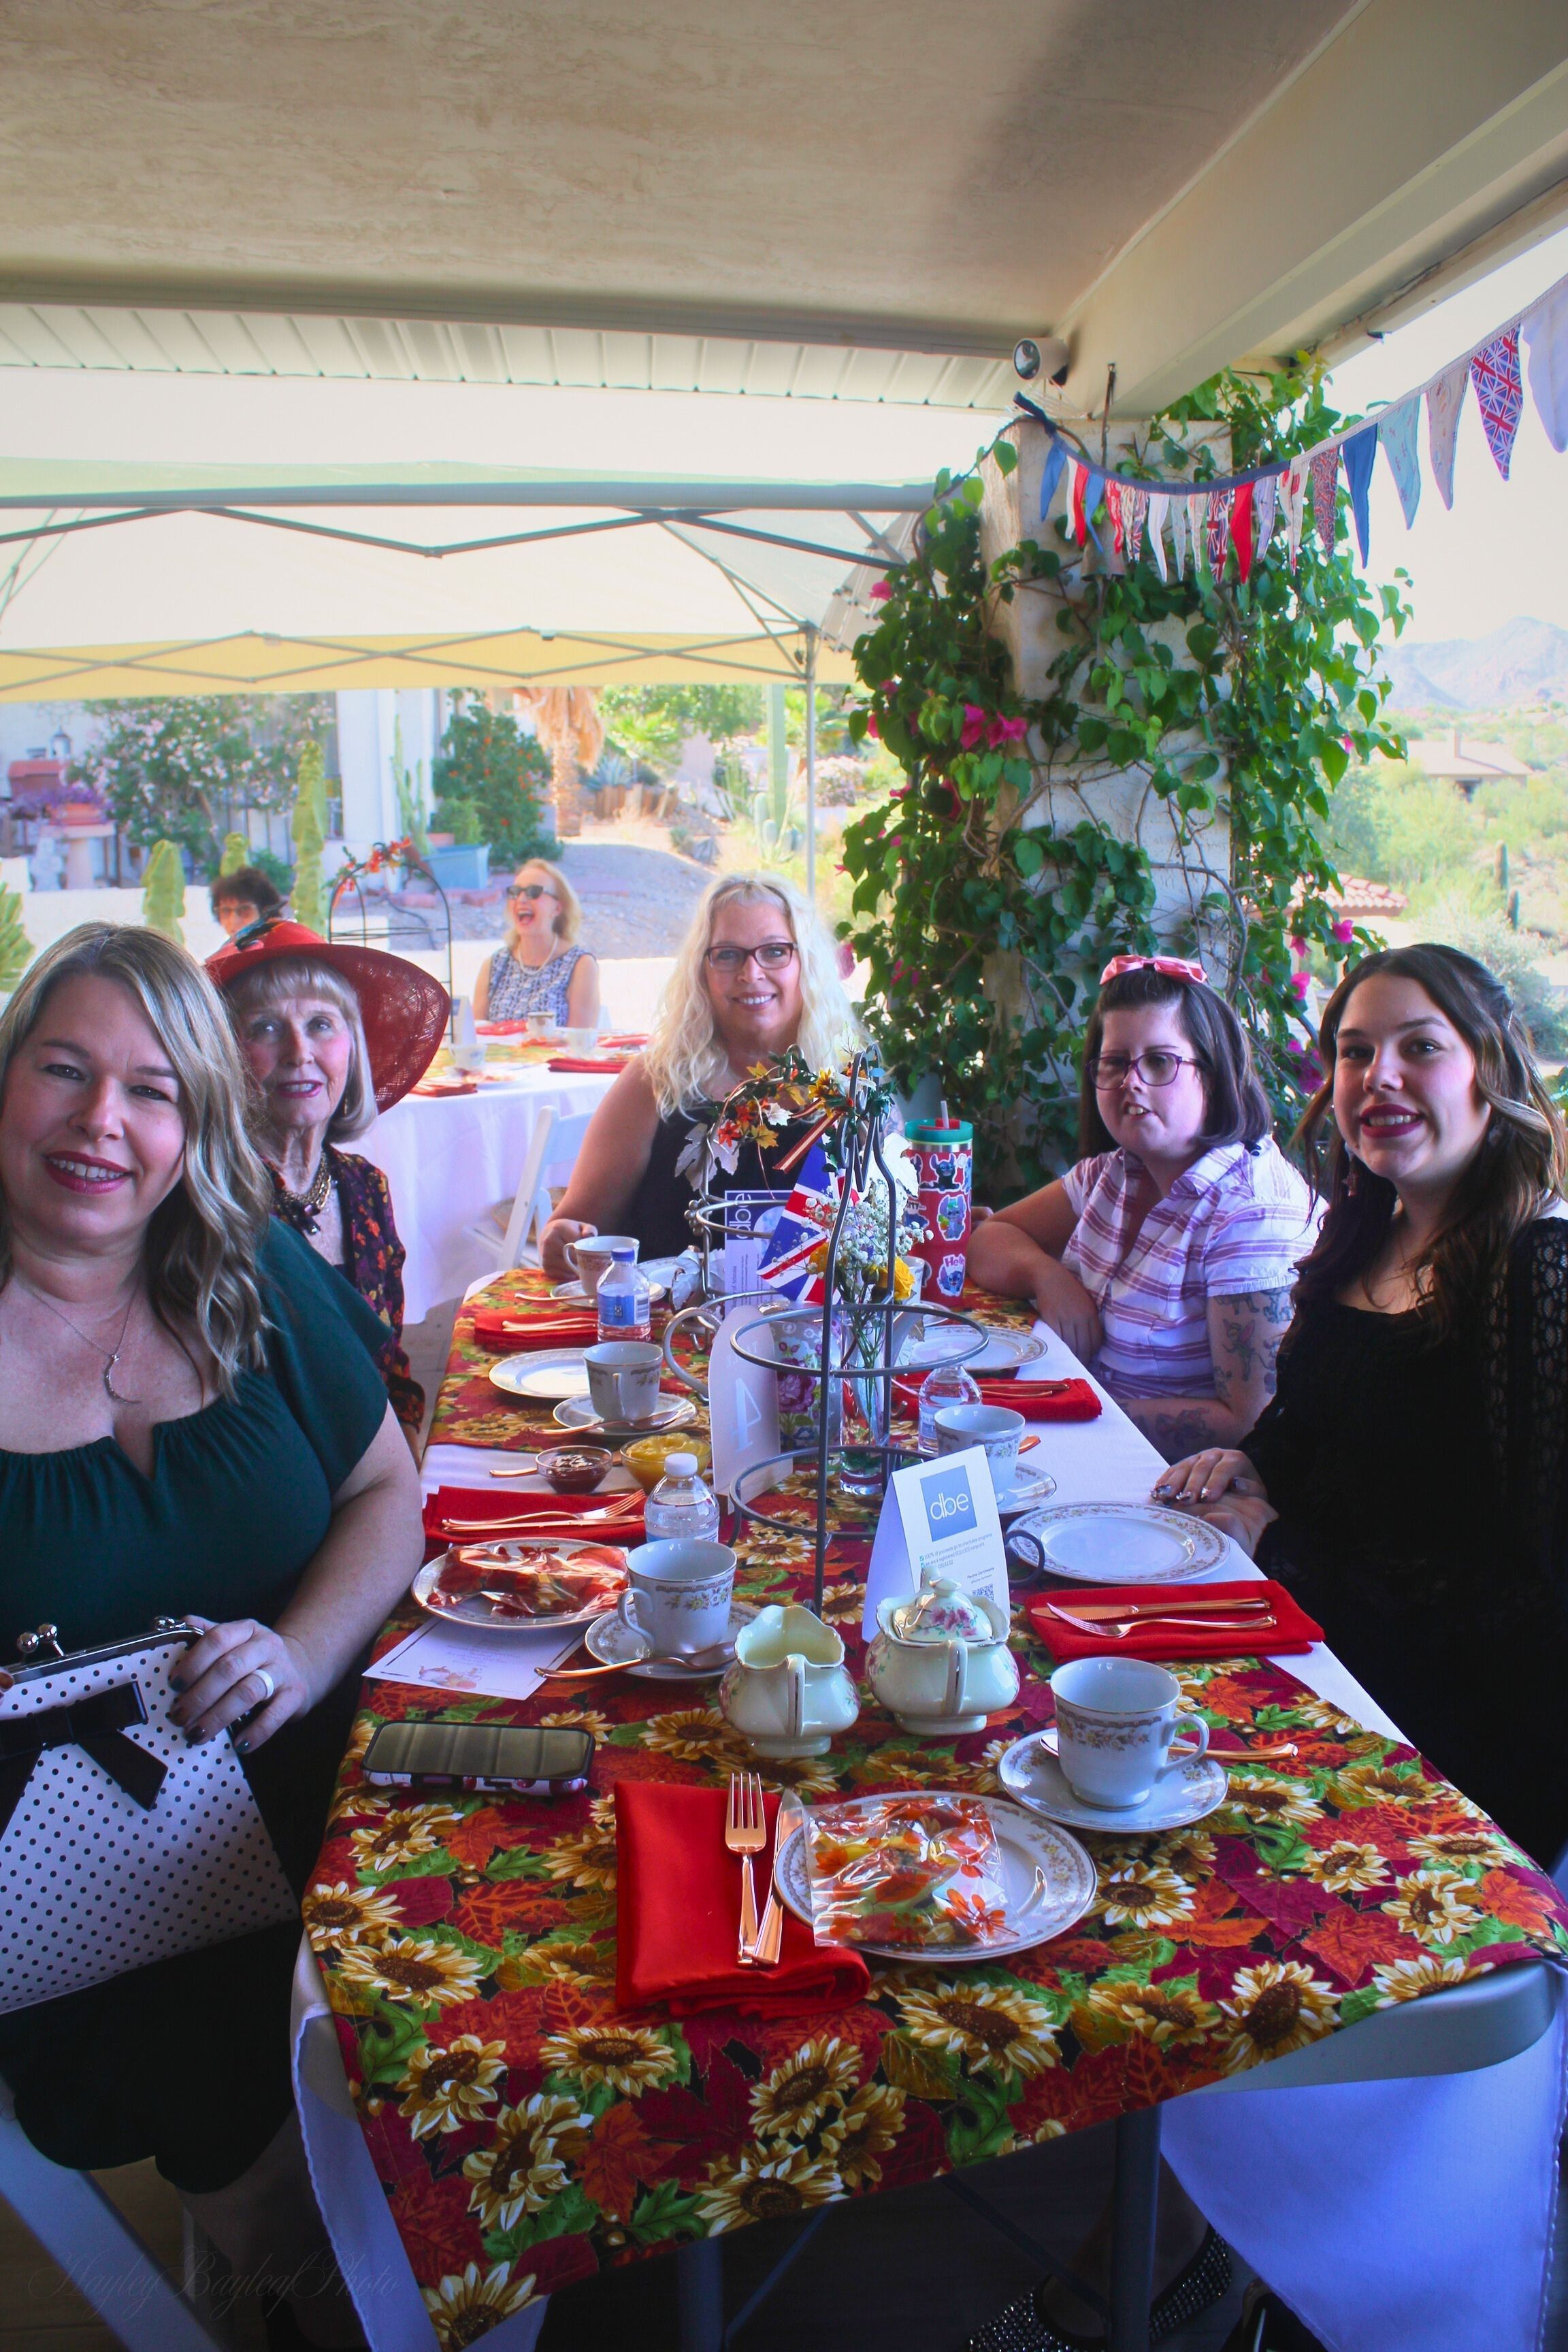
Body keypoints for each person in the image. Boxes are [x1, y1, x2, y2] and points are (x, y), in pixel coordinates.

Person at [0, 921, 424, 2347]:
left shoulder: (242, 1266)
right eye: (65, 1069)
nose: (101, 1122)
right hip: (90, 1901)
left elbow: (384, 1493)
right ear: (7, 1080)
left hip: (337, 1804)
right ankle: (323, 2288)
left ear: (192, 1123)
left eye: (151, 1089)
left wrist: (303, 1650)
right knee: (299, 2177)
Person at [1154, 944, 1568, 1863]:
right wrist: (1256, 1459)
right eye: (1353, 1051)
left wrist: (1282, 1547)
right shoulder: (1363, 1233)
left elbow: (1527, 1604)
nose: (1379, 1077)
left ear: (1487, 1069)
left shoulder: (1537, 1273)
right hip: (1320, 1656)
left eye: (1419, 1047)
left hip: (1447, 1764)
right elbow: (1322, 1421)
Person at [967, 954, 1318, 1458]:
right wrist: (1048, 1277)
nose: (1132, 1082)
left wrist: (1070, 1410)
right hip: (1073, 1443)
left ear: (1213, 1074)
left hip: (1169, 1492)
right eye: (1115, 1062)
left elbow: (1249, 1422)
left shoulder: (1252, 1211)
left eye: (1160, 1061)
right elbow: (989, 1239)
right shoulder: (1113, 1174)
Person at [540, 871, 861, 1273]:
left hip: (823, 1332)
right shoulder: (655, 1083)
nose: (751, 973)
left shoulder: (852, 1087)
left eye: (775, 951)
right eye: (728, 955)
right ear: (701, 973)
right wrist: (565, 1238)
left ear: (807, 964)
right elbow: (573, 1230)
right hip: (673, 1331)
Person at [208, 917, 448, 1448]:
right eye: (264, 1028)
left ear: (352, 1047)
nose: (299, 1051)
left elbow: (390, 1370)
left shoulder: (364, 1188)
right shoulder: (209, 1196)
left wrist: (402, 1479)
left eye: (321, 1024)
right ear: (224, 1055)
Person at [472, 856, 600, 1028]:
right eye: (515, 892)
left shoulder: (581, 965)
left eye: (533, 892)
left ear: (557, 908)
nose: (522, 899)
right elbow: (475, 1036)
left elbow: (580, 1044)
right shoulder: (494, 965)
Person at [211, 863, 285, 938]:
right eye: (226, 911)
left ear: (266, 912)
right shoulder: (227, 949)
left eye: (244, 911)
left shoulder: (286, 947)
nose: (234, 921)